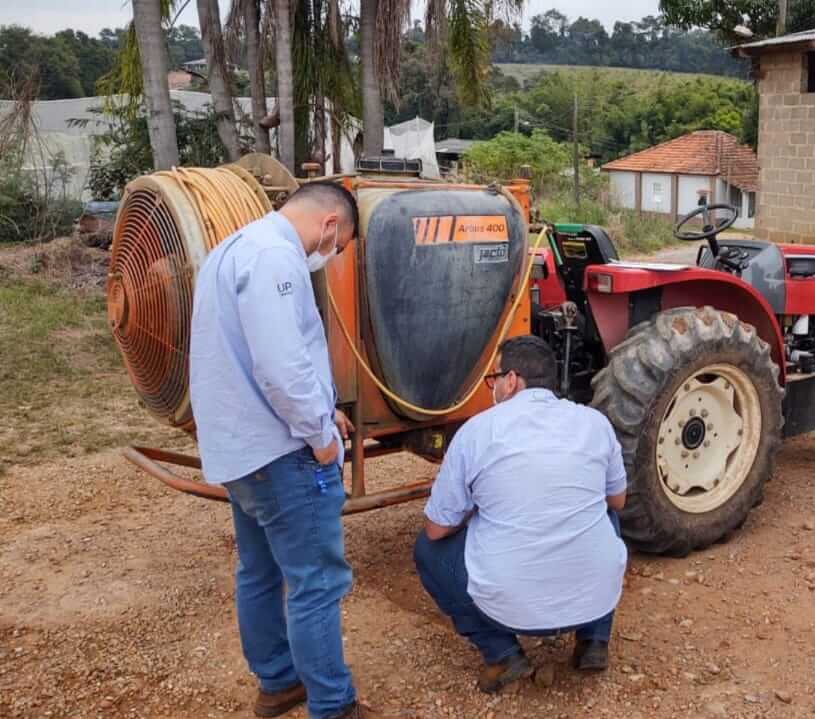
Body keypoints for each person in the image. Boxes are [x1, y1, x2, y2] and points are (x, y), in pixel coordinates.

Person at [189, 182, 378, 719]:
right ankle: (333, 706)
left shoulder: (234, 247)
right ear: (330, 227)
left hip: (240, 448)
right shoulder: (278, 257)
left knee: (259, 571)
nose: (330, 257)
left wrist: (325, 406)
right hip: (281, 453)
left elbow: (256, 357)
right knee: (316, 582)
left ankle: (277, 683)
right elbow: (280, 367)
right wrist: (321, 436)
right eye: (337, 250)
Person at [414, 335, 628, 694]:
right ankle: (593, 640)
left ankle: (502, 654)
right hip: (593, 600)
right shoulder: (594, 423)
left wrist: (479, 513)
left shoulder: (477, 432)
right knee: (606, 515)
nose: (493, 388)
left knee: (427, 551)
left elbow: (436, 530)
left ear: (511, 380)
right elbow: (618, 500)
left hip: (508, 608)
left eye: (493, 379)